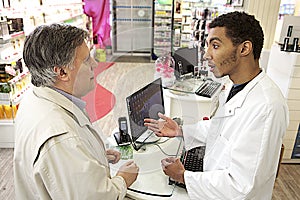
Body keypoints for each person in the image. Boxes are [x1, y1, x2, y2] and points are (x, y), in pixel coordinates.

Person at [145, 11, 289, 199]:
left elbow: (241, 186)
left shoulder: (266, 107)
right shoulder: (234, 86)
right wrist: (181, 130)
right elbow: (220, 129)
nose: (206, 55)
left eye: (215, 46)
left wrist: (183, 176)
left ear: (244, 49)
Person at [14, 24, 139, 199]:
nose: (95, 64)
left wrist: (92, 155)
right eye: (87, 60)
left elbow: (61, 171)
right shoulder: (62, 138)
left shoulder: (35, 97)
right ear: (62, 72)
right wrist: (123, 180)